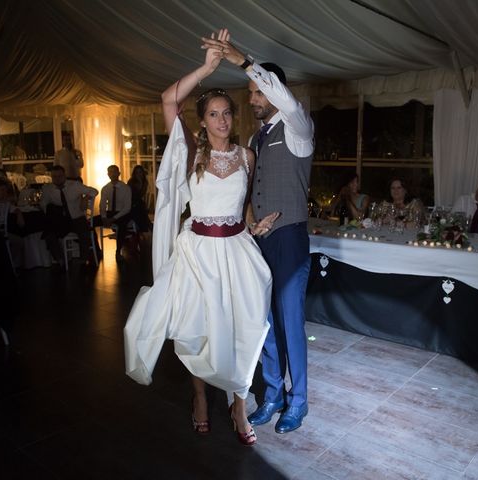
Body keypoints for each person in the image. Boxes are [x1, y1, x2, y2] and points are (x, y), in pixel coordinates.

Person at [123, 31, 278, 447]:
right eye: (213, 113)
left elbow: (243, 205)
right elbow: (167, 100)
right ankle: (200, 400)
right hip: (198, 255)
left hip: (238, 251)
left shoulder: (248, 155)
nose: (222, 120)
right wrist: (209, 68)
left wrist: (254, 224)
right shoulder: (190, 152)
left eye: (227, 112)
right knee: (199, 329)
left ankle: (239, 404)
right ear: (202, 119)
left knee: (246, 327)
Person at [202, 29, 315, 434]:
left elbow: (285, 100)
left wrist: (242, 59)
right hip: (258, 241)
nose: (251, 100)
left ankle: (298, 402)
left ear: (275, 91)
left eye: (257, 93)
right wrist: (249, 222)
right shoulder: (254, 138)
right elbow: (247, 191)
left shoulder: (298, 127)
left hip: (289, 239)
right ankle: (272, 396)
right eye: (250, 94)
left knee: (289, 320)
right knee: (263, 323)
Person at [40, 165, 98, 266]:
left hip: (76, 217)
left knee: (84, 232)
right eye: (54, 177)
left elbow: (94, 191)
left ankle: (84, 258)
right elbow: (43, 203)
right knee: (48, 233)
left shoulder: (74, 185)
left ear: (64, 175)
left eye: (59, 176)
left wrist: (85, 198)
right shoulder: (48, 189)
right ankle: (60, 259)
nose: (57, 179)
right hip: (60, 219)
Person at [99, 165, 131, 261]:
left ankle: (118, 252)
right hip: (109, 213)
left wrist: (113, 219)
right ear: (108, 174)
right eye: (110, 172)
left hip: (122, 213)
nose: (112, 174)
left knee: (122, 226)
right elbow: (102, 205)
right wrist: (104, 217)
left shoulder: (126, 188)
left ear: (119, 173)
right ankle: (96, 251)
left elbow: (127, 208)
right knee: (90, 222)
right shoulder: (105, 188)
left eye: (114, 172)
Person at [127, 165, 152, 232]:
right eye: (137, 172)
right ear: (134, 174)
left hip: (137, 204)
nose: (139, 174)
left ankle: (144, 230)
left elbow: (141, 195)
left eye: (140, 172)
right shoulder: (131, 182)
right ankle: (147, 228)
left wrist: (141, 183)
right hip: (130, 203)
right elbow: (132, 195)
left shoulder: (144, 182)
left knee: (140, 208)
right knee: (141, 209)